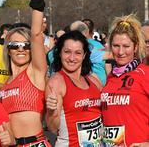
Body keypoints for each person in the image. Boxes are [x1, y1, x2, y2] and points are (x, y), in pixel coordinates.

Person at [0, 0, 51, 146]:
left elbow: (36, 33)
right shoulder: (5, 85)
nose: (21, 49)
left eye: (25, 45)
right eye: (15, 45)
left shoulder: (36, 72)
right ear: (8, 49)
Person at [45, 30, 102, 146]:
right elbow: (52, 128)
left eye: (77, 53)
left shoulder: (93, 80)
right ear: (60, 53)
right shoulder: (56, 82)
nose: (72, 58)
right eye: (67, 52)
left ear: (84, 55)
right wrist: (51, 112)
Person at [101, 14, 149, 147]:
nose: (120, 52)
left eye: (126, 46)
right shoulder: (111, 76)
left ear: (135, 47)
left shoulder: (145, 74)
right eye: (116, 46)